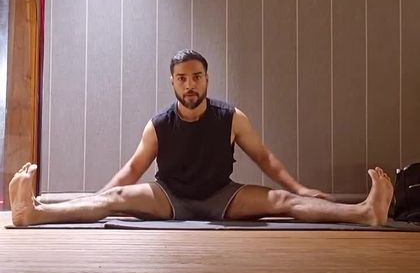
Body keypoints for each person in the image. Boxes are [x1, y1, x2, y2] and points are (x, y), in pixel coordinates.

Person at [9, 49, 394, 227]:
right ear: (173, 82)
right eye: (182, 78)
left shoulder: (231, 118)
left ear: (207, 79)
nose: (190, 84)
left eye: (196, 77)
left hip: (221, 195)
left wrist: (301, 188)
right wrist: (99, 199)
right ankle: (34, 213)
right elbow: (132, 169)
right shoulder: (159, 124)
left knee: (285, 201)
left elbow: (265, 159)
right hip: (169, 196)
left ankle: (365, 212)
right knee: (113, 199)